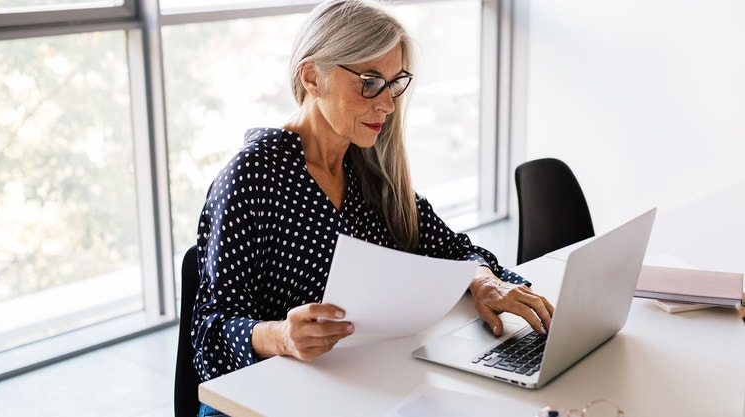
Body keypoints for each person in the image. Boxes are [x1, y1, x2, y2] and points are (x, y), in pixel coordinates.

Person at [192, 1, 554, 415]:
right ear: (312, 77)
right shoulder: (252, 176)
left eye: (394, 83)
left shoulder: (370, 173)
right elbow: (209, 330)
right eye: (369, 82)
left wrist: (484, 279)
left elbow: (455, 251)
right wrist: (281, 336)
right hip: (264, 401)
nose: (387, 104)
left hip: (360, 389)